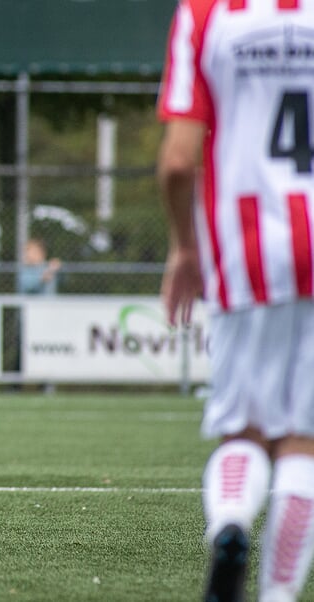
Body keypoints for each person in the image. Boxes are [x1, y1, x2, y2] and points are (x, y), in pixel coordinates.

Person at [157, 3, 314, 601]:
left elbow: (177, 161)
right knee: (303, 440)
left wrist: (185, 249)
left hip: (245, 251)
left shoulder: (206, 12)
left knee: (243, 431)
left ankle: (228, 525)